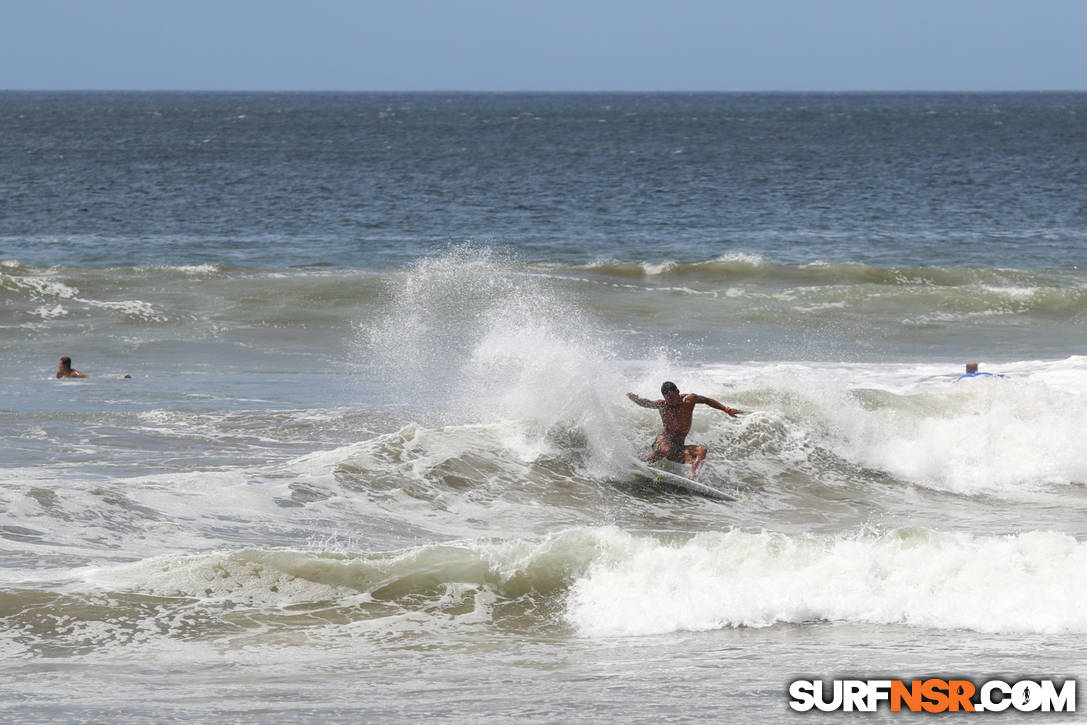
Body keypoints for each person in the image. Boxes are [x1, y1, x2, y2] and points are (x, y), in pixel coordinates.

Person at [626, 381, 743, 480]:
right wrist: (637, 400)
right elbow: (648, 403)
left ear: (677, 392)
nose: (670, 401)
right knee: (666, 448)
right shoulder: (663, 405)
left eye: (672, 398)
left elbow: (707, 400)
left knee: (702, 451)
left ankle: (692, 477)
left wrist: (726, 409)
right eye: (667, 399)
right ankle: (641, 465)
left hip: (678, 448)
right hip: (662, 442)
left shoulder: (690, 400)